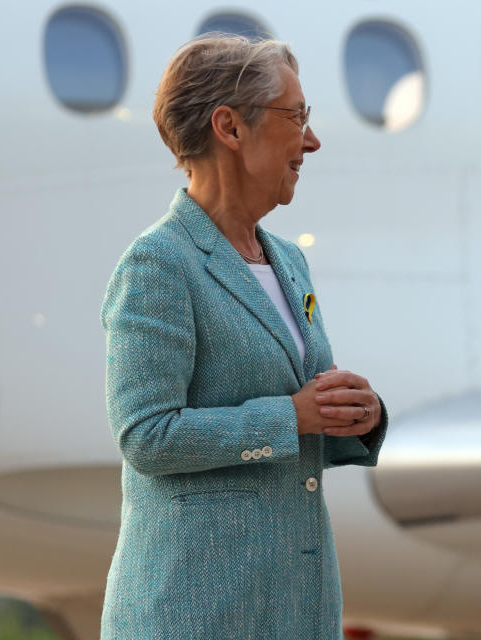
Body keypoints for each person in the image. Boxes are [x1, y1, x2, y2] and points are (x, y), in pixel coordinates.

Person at [99, 36, 386, 639]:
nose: (311, 141)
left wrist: (356, 415)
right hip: (196, 613)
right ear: (229, 126)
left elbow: (304, 417)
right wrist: (293, 417)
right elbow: (146, 436)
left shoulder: (287, 261)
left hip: (295, 609)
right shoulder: (158, 264)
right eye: (297, 116)